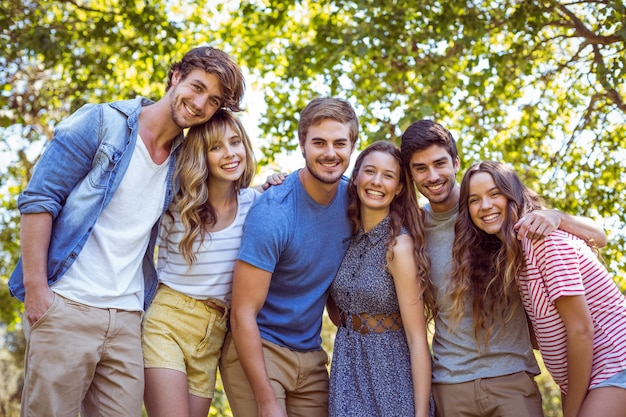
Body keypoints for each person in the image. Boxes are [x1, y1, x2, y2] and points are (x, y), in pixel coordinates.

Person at [8, 46, 245, 417]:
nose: (200, 104)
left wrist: (272, 185)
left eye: (213, 100)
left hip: (128, 316)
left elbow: (223, 189)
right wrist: (38, 292)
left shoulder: (184, 160)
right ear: (176, 76)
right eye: (197, 87)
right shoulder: (103, 123)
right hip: (68, 304)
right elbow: (40, 200)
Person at [399, 120, 607, 417]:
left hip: (512, 380)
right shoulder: (415, 230)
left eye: (440, 163)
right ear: (411, 174)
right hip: (450, 385)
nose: (432, 176)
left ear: (455, 162)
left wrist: (557, 216)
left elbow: (599, 237)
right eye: (420, 168)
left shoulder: (493, 206)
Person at [219, 96, 359, 417]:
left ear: (352, 146)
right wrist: (267, 402)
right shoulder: (274, 211)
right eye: (319, 142)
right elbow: (242, 314)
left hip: (310, 355)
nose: (330, 153)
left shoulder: (355, 201)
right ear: (302, 144)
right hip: (259, 346)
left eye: (340, 143)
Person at [452, 160, 626, 417]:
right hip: (586, 374)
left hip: (616, 363)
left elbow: (580, 331)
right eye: (474, 200)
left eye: (494, 194)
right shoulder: (511, 258)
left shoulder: (543, 242)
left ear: (513, 195)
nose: (485, 206)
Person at [142, 109, 267, 417]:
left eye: (235, 142)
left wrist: (277, 182)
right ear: (202, 156)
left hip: (214, 336)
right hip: (167, 323)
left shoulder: (257, 203)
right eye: (216, 147)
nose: (230, 153)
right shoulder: (177, 205)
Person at [327, 141, 435, 417]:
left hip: (391, 375)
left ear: (399, 187)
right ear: (356, 177)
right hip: (347, 371)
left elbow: (416, 339)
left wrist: (421, 414)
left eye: (388, 176)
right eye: (370, 171)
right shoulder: (345, 236)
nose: (377, 182)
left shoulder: (398, 247)